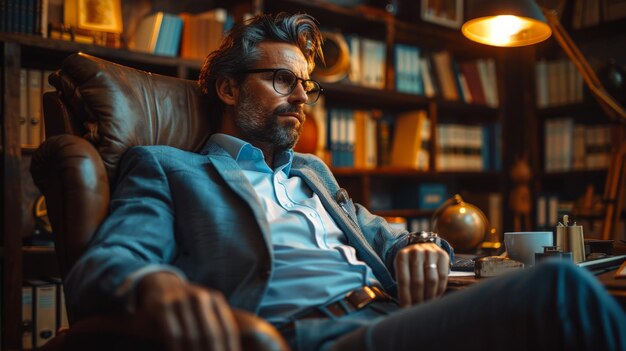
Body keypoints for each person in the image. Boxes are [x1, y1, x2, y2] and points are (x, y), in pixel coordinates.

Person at [64, 12, 626, 351]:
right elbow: (106, 261)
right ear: (229, 91)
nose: (302, 97)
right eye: (283, 79)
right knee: (560, 290)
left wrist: (422, 243)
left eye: (306, 85)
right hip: (311, 336)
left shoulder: (312, 174)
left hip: (391, 310)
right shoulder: (170, 167)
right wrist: (157, 283)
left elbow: (389, 234)